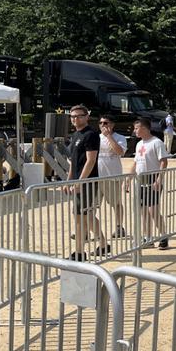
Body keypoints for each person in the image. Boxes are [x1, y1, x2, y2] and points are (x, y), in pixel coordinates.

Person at [66, 105, 108, 260]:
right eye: (72, 116)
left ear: (86, 117)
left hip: (87, 182)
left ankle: (79, 252)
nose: (75, 119)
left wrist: (80, 182)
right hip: (79, 181)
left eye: (79, 116)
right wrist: (69, 180)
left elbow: (91, 160)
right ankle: (103, 244)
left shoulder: (91, 134)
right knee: (86, 216)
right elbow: (73, 162)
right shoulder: (75, 135)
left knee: (80, 216)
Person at [127, 116, 170, 249]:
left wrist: (159, 179)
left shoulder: (156, 142)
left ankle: (163, 236)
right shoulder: (139, 144)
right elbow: (135, 163)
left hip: (152, 180)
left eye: (136, 128)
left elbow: (163, 161)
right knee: (143, 211)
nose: (135, 131)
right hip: (140, 180)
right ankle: (148, 237)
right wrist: (128, 180)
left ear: (145, 128)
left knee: (153, 210)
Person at [97, 114, 128, 238]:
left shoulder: (119, 137)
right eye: (101, 123)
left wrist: (109, 136)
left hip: (112, 176)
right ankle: (86, 230)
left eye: (106, 123)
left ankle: (119, 227)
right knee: (90, 205)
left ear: (112, 124)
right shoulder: (95, 137)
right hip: (95, 177)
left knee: (116, 203)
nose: (103, 125)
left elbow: (120, 152)